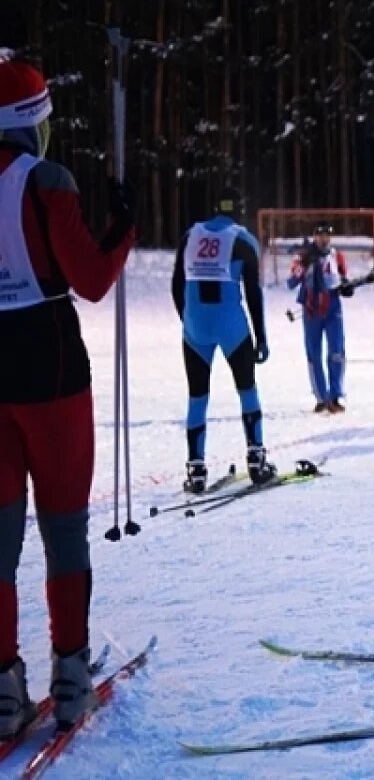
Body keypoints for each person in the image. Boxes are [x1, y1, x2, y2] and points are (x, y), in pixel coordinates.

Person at [0, 60, 136, 733]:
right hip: (51, 373)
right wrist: (123, 227)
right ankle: (71, 676)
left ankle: (3, 691)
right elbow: (92, 278)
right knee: (62, 529)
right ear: (31, 123)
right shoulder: (46, 181)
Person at [173, 188, 276, 491]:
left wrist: (187, 320)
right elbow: (253, 293)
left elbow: (176, 284)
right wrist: (261, 337)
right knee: (247, 389)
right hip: (231, 326)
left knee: (197, 396)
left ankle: (196, 469)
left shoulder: (190, 235)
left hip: (196, 327)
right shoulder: (243, 239)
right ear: (239, 209)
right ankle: (256, 458)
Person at [288, 223, 354, 413]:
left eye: (327, 236)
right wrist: (304, 263)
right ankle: (321, 398)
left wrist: (347, 287)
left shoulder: (336, 256)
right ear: (314, 237)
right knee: (314, 353)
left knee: (337, 351)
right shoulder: (304, 256)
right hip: (311, 308)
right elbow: (291, 282)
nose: (323, 239)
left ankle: (335, 395)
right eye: (320, 235)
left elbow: (344, 279)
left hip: (333, 307)